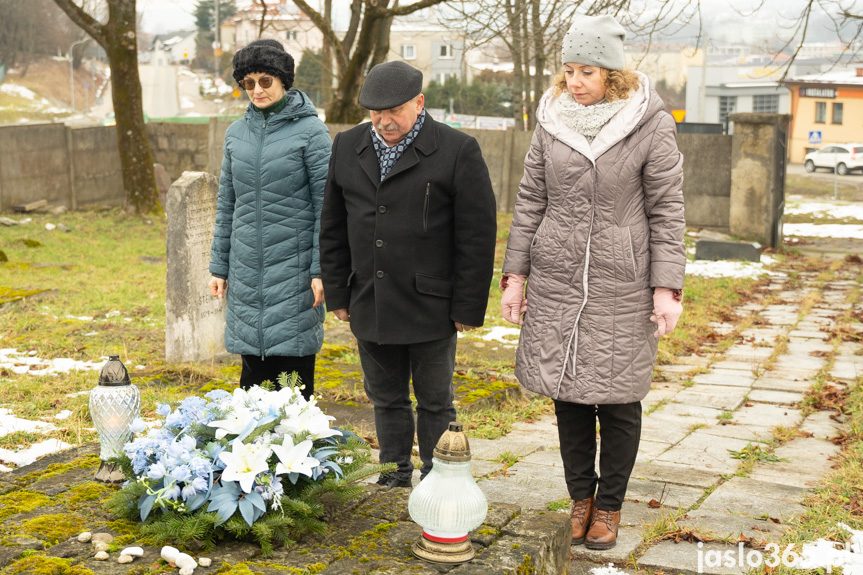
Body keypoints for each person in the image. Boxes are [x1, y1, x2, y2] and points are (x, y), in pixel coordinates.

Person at [500, 14, 685, 550]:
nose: (574, 81)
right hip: (557, 276)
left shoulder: (651, 123)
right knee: (569, 395)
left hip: (622, 279)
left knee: (619, 398)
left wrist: (665, 288)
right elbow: (530, 201)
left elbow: (667, 210)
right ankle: (580, 498)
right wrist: (516, 277)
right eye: (569, 70)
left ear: (614, 75)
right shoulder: (551, 120)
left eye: (587, 71)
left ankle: (609, 507)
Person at [319, 61, 497, 489]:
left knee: (436, 400)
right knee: (385, 397)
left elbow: (476, 235)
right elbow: (332, 226)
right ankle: (393, 473)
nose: (383, 121)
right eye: (374, 113)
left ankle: (439, 479)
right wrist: (339, 294)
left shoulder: (457, 149)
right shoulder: (347, 145)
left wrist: (468, 306)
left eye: (393, 110)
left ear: (419, 102)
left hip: (431, 304)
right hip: (371, 299)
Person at [208, 39, 331, 400]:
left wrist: (320, 268)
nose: (257, 90)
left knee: (292, 377)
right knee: (252, 378)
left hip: (293, 271)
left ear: (283, 80)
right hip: (246, 269)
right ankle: (253, 452)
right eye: (249, 83)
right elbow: (227, 203)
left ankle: (298, 451)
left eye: (265, 81)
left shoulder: (312, 132)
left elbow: (328, 207)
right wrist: (219, 267)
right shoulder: (235, 134)